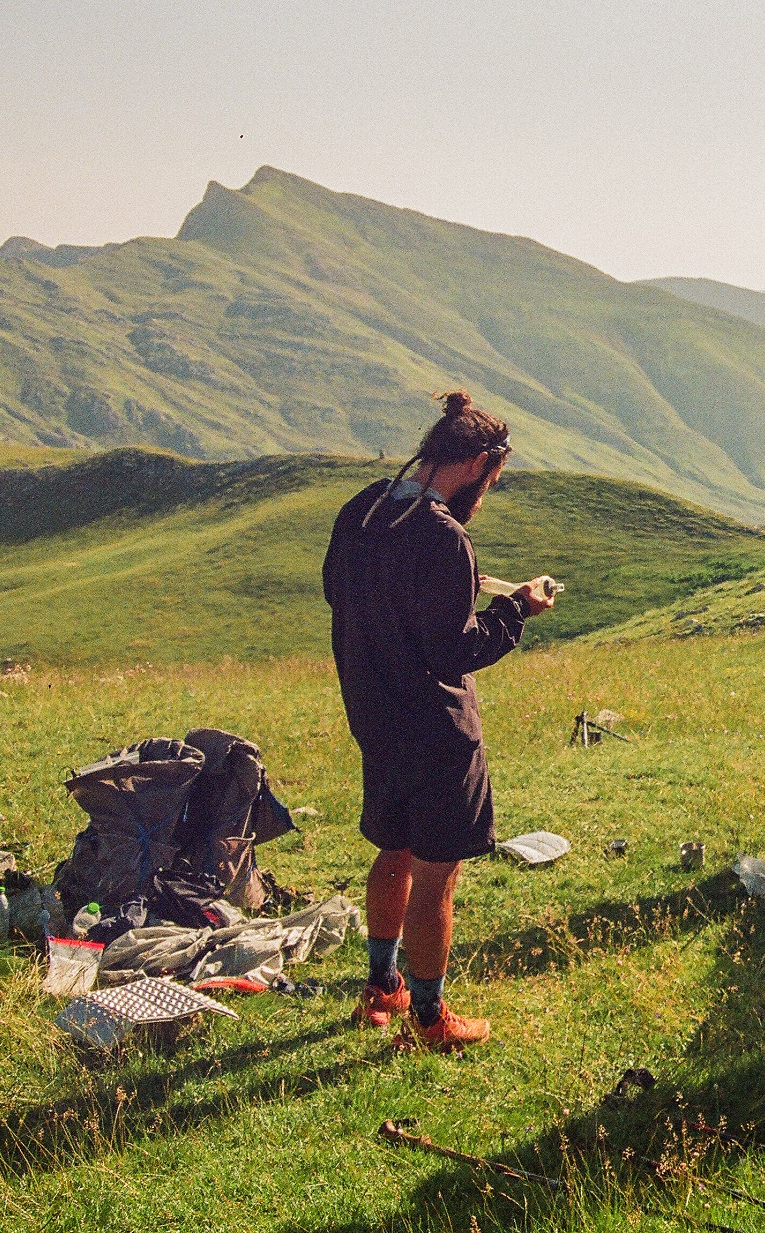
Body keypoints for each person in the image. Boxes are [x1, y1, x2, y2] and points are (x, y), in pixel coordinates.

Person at [321, 391, 557, 1051]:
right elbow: (456, 650)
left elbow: (340, 592)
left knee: (392, 849)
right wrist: (518, 609)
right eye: (492, 478)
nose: (486, 492)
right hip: (436, 728)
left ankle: (382, 986)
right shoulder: (444, 536)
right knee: (436, 872)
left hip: (373, 713)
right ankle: (430, 1018)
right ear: (478, 463)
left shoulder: (365, 508)